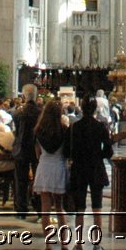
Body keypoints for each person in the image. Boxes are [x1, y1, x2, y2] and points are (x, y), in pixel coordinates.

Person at [67, 101, 113, 245]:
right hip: (95, 167)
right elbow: (109, 150)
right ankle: (96, 240)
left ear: (82, 109)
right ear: (95, 110)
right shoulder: (100, 126)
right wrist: (99, 155)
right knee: (97, 206)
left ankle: (79, 240)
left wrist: (74, 157)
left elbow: (68, 149)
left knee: (79, 206)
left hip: (79, 168)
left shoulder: (75, 127)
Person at [33, 97, 71, 240]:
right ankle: (64, 243)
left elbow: (37, 154)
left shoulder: (39, 131)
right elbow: (67, 153)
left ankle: (48, 244)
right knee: (60, 209)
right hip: (59, 167)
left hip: (44, 168)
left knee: (45, 211)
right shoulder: (64, 130)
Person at [13, 84, 42, 220]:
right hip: (36, 150)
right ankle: (39, 209)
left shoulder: (18, 113)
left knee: (21, 181)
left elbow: (17, 132)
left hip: (21, 149)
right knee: (38, 180)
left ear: (23, 96)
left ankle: (21, 210)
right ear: (36, 97)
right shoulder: (41, 113)